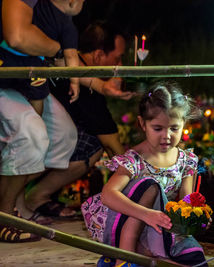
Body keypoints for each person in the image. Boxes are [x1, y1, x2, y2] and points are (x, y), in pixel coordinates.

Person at [16, 21, 135, 220]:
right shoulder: (84, 84)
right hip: (31, 139)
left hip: (33, 136)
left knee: (75, 138)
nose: (119, 66)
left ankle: (28, 196)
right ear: (98, 55)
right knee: (92, 145)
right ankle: (26, 195)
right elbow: (111, 144)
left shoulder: (72, 66)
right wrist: (142, 183)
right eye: (118, 58)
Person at [81, 81, 208, 267]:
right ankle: (123, 259)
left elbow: (186, 200)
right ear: (143, 124)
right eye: (158, 128)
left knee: (194, 256)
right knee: (150, 186)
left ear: (184, 124)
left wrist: (198, 215)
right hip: (121, 221)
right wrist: (146, 214)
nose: (166, 136)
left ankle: (153, 253)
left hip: (158, 224)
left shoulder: (187, 160)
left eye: (174, 128)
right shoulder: (134, 159)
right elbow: (108, 195)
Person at [0, 0, 77, 242]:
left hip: (27, 74)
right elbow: (18, 36)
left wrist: (98, 84)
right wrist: (55, 48)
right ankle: (5, 215)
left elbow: (69, 63)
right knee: (32, 133)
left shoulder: (56, 14)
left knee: (63, 135)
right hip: (6, 75)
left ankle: (17, 202)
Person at [0, 0, 84, 116]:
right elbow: (71, 56)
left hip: (7, 53)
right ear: (72, 2)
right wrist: (75, 82)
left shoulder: (39, 5)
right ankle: (36, 118)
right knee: (37, 95)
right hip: (34, 62)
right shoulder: (68, 26)